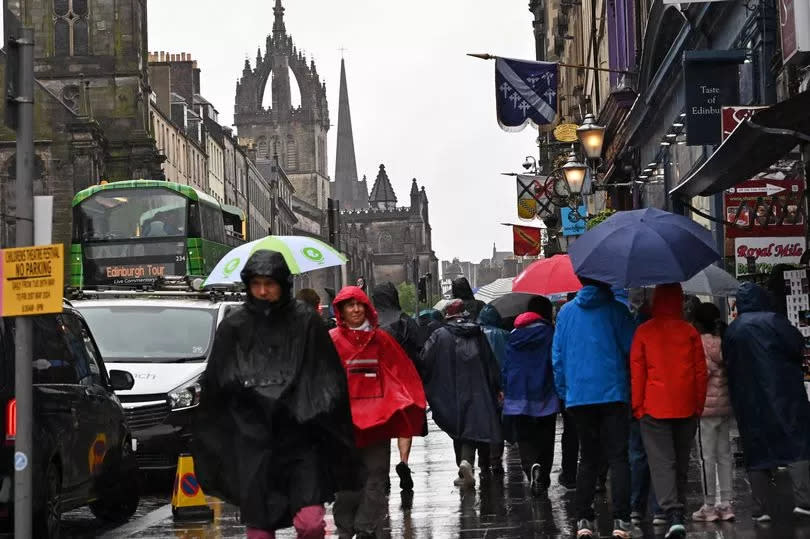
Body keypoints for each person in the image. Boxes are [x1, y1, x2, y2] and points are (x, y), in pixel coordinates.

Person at [192, 250, 359, 539]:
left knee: (310, 523)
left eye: (269, 284)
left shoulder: (305, 321)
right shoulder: (234, 326)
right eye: (256, 284)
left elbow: (327, 377)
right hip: (254, 441)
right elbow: (218, 383)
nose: (262, 291)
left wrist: (311, 409)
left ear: (282, 283)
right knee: (259, 530)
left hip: (300, 439)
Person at [329, 286, 426, 538]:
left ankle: (364, 528)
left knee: (376, 476)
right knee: (347, 484)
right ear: (340, 310)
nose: (355, 309)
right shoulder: (331, 340)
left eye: (359, 304)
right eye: (349, 305)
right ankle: (345, 527)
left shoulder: (381, 339)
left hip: (377, 421)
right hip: (344, 423)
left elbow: (399, 371)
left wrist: (403, 401)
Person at [551, 278, 637, 539]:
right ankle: (621, 519)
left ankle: (584, 519)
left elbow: (557, 356)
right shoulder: (617, 311)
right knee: (618, 458)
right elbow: (632, 350)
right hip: (613, 393)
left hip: (579, 397)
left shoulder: (566, 313)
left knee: (587, 458)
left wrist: (565, 391)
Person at [723, 282, 810, 522]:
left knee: (756, 450)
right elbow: (797, 346)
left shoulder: (733, 330)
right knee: (796, 444)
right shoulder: (775, 321)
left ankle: (760, 509)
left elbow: (728, 363)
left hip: (749, 398)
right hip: (784, 394)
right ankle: (804, 501)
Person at [630, 283, 708, 539]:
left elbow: (638, 373)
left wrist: (638, 406)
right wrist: (698, 404)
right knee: (682, 461)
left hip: (653, 406)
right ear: (678, 301)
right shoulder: (689, 331)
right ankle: (678, 510)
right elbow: (700, 373)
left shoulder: (644, 331)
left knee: (661, 462)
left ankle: (671, 512)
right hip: (686, 405)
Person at [420, 299, 503, 488]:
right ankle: (483, 465)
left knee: (460, 428)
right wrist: (498, 386)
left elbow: (425, 360)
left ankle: (465, 465)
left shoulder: (439, 335)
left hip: (451, 390)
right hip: (479, 388)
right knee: (479, 424)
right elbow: (489, 361)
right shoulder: (477, 333)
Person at [370, 282, 424, 491]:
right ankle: (403, 461)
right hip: (403, 380)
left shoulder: (370, 323)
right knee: (404, 425)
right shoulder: (404, 320)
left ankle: (382, 473)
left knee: (381, 427)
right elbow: (420, 349)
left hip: (377, 382)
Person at [503, 311, 560, 496]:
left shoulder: (513, 337)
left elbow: (507, 366)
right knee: (546, 437)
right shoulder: (549, 333)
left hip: (518, 394)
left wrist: (504, 387)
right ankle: (543, 474)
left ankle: (531, 467)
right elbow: (556, 360)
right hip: (545, 392)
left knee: (525, 437)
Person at [691, 302, 735, 522]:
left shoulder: (698, 344)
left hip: (705, 409)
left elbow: (701, 374)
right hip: (724, 406)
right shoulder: (724, 343)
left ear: (697, 323)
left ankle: (709, 505)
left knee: (706, 457)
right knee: (724, 454)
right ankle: (726, 503)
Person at [478, 304, 510, 476]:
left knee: (483, 423)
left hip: (480, 385)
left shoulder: (476, 335)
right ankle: (495, 460)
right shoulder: (504, 335)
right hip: (500, 385)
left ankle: (483, 462)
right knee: (497, 423)